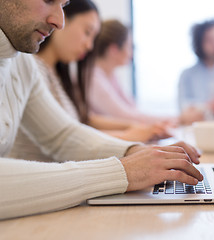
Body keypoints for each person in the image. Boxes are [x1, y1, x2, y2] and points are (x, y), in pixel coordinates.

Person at [0, 0, 203, 220]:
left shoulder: (22, 64)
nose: (59, 22)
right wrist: (122, 171)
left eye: (63, 4)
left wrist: (136, 152)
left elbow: (63, 135)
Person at [89, 19, 177, 126]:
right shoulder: (93, 78)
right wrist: (178, 119)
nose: (132, 52)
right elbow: (126, 116)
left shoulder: (111, 76)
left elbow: (133, 110)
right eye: (129, 46)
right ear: (114, 49)